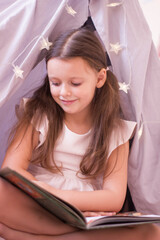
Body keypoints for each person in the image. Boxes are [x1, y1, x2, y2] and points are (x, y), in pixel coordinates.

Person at [0, 27, 159, 240]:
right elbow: (11, 169)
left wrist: (62, 198)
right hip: (38, 203)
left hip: (83, 208)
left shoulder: (116, 130)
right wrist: (46, 193)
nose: (63, 92)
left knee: (151, 232)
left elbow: (113, 197)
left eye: (75, 84)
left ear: (100, 78)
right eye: (55, 83)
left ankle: (29, 236)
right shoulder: (38, 113)